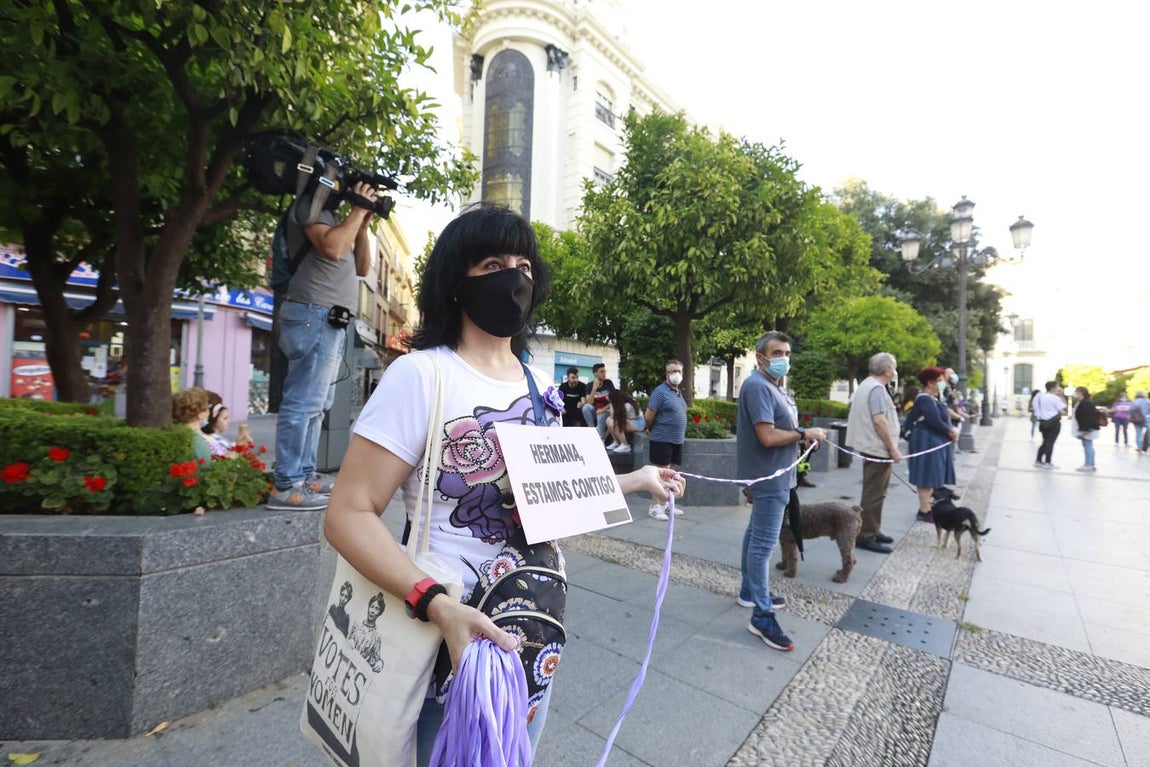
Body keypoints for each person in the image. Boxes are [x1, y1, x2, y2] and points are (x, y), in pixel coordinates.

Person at [321, 205, 685, 764]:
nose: (514, 278)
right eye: (494, 262)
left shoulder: (543, 387)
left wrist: (638, 479)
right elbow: (347, 514)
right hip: (446, 641)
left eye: (525, 267)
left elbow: (561, 492)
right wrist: (437, 606)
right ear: (456, 281)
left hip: (533, 635)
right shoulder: (421, 376)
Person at [268, 179, 379, 510]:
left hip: (328, 319)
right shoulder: (308, 208)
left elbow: (362, 266)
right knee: (303, 403)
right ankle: (285, 486)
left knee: (317, 404)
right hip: (311, 314)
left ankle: (304, 474)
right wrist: (358, 210)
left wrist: (364, 222)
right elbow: (331, 247)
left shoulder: (336, 218)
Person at [735, 331, 827, 652]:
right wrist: (804, 433)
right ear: (760, 357)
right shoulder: (759, 386)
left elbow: (780, 431)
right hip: (769, 477)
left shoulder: (774, 386)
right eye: (776, 353)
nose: (783, 358)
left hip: (777, 475)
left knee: (754, 534)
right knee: (762, 545)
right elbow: (768, 437)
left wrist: (800, 437)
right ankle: (761, 614)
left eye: (786, 352)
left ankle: (749, 592)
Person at [845, 353, 902, 552]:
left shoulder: (867, 385)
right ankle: (866, 535)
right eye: (893, 368)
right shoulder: (877, 389)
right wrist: (893, 449)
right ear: (887, 370)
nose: (894, 372)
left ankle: (873, 530)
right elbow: (879, 421)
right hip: (878, 448)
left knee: (875, 492)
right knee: (874, 494)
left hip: (872, 446)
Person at [906, 367, 958, 522]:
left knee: (932, 475)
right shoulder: (924, 398)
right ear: (930, 382)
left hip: (933, 440)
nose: (944, 382)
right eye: (941, 380)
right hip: (926, 441)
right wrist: (950, 432)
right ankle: (924, 510)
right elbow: (934, 420)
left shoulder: (934, 398)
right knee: (926, 475)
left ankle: (928, 508)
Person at [644, 359, 689, 520]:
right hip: (662, 438)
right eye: (673, 371)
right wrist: (649, 428)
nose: (676, 374)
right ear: (667, 374)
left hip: (676, 440)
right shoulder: (660, 392)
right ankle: (655, 506)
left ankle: (667, 504)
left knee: (671, 475)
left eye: (679, 371)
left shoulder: (678, 393)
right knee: (660, 474)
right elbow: (648, 416)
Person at [1032, 381, 1068, 468]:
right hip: (1054, 422)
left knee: (1045, 442)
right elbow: (1063, 408)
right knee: (1050, 443)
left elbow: (1035, 407)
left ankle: (1038, 460)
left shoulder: (1039, 396)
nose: (1058, 389)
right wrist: (1061, 395)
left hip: (1043, 422)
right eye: (1057, 387)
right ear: (1053, 388)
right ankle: (1048, 462)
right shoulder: (1055, 398)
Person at [172, 387, 213, 461]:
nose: (209, 412)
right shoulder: (196, 440)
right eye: (207, 408)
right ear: (200, 414)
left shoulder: (178, 433)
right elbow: (207, 466)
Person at [580, 362, 616, 440]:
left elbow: (614, 400)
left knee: (601, 414)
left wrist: (603, 409)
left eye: (604, 371)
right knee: (585, 407)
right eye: (601, 371)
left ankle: (601, 439)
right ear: (595, 373)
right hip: (596, 410)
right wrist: (594, 388)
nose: (604, 373)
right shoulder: (589, 385)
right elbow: (589, 402)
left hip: (608, 410)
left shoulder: (608, 383)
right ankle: (592, 430)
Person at [605, 388, 644, 453]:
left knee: (616, 422)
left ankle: (625, 445)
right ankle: (616, 442)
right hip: (630, 421)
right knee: (608, 420)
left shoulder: (627, 405)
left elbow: (614, 416)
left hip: (639, 423)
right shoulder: (622, 404)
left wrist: (611, 403)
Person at [1071, 387, 1101, 471]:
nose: (1075, 395)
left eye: (1076, 393)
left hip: (1087, 429)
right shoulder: (1082, 402)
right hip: (1086, 428)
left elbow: (1087, 417)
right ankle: (1090, 464)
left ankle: (1088, 464)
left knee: (1088, 446)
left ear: (1081, 394)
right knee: (1088, 446)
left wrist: (1086, 430)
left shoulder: (1085, 403)